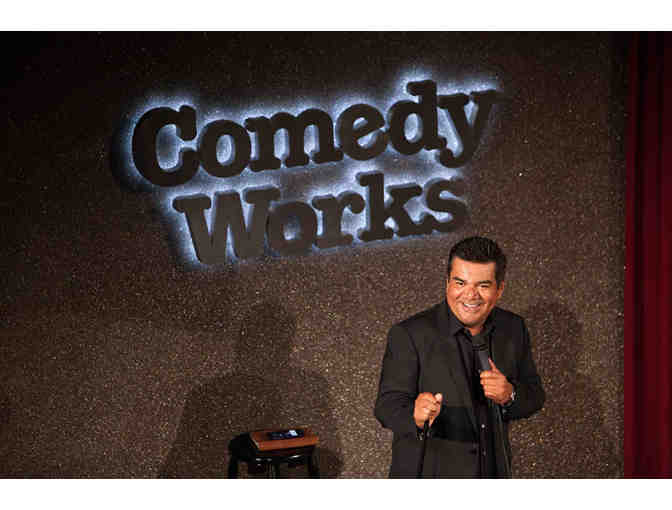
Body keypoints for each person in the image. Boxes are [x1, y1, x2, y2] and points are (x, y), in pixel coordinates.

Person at [374, 236, 545, 478]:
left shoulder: (513, 328)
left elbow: (535, 395)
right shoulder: (410, 333)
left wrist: (509, 395)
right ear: (447, 282)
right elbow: (386, 406)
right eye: (460, 283)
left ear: (500, 289)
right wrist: (415, 414)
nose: (470, 295)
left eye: (483, 285)